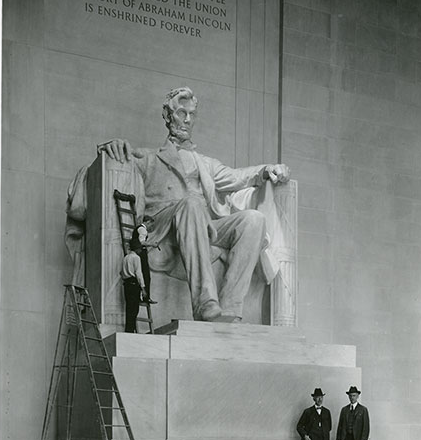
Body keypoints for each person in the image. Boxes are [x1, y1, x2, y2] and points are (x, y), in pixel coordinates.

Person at [97, 87, 290, 322]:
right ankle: (206, 305)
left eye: (192, 114)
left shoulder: (205, 163)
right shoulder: (147, 158)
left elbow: (238, 176)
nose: (187, 119)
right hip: (166, 228)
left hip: (205, 227)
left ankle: (230, 308)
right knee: (190, 204)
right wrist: (111, 147)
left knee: (254, 220)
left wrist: (265, 170)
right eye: (181, 113)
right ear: (168, 116)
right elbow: (116, 161)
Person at [121, 238, 147, 333]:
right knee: (134, 308)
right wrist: (143, 288)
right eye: (140, 249)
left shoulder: (126, 257)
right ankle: (130, 330)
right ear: (137, 249)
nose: (140, 251)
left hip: (126, 284)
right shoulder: (136, 258)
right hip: (133, 284)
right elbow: (139, 273)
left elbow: (121, 273)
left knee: (129, 307)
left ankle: (128, 329)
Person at [129, 222, 155, 304]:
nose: (151, 226)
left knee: (139, 274)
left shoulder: (139, 228)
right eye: (151, 224)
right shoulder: (143, 230)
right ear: (147, 222)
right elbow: (142, 242)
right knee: (146, 275)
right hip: (141, 253)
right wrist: (152, 244)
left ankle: (139, 297)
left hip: (138, 252)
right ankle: (146, 298)